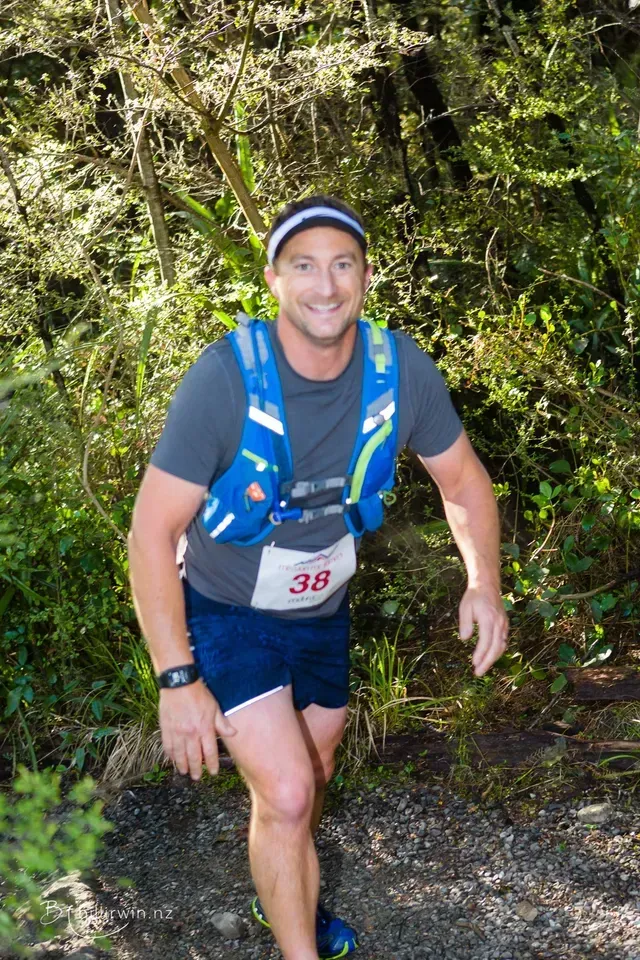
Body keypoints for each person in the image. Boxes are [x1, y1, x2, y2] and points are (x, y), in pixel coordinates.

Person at [128, 195, 509, 960]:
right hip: (225, 606)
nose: (325, 285)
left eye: (341, 265)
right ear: (274, 280)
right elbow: (150, 531)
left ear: (366, 277)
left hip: (320, 609)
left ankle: (285, 891)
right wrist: (176, 680)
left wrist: (483, 584)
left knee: (311, 776)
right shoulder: (224, 380)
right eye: (304, 266)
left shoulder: (401, 371)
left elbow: (464, 482)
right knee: (291, 789)